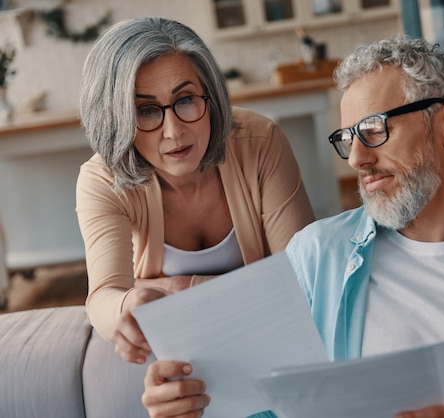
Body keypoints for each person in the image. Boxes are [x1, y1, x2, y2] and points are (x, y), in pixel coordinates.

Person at [141, 34, 444, 417]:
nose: (356, 158)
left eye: (374, 130)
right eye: (347, 138)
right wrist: (194, 407)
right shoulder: (314, 256)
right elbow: (269, 408)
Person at [76, 17, 315, 365]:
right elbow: (103, 300)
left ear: (211, 96)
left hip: (272, 340)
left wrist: (174, 288)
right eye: (146, 110)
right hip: (187, 355)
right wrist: (129, 303)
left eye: (186, 100)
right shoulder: (101, 179)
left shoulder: (260, 141)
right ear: (117, 119)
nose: (174, 131)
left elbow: (303, 281)